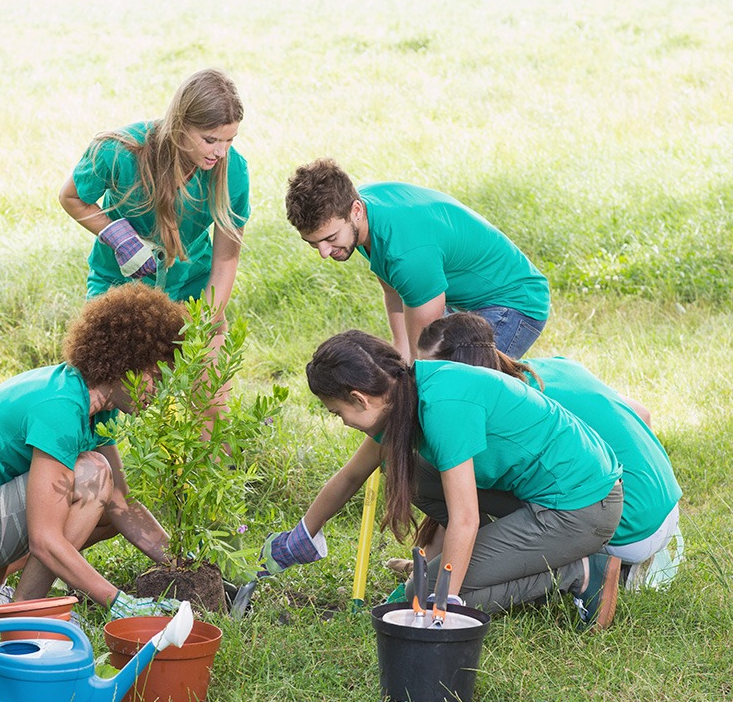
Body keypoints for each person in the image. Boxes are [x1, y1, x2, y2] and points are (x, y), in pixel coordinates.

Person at [257, 330, 625, 630]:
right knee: (405, 471)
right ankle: (506, 553)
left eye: (337, 413)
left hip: (581, 506)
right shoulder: (404, 394)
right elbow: (351, 476)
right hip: (540, 494)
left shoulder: (443, 408)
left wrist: (445, 597)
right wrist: (302, 535)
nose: (343, 422)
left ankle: (576, 571)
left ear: (359, 398)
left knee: (419, 597)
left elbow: (465, 518)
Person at [0, 284, 186, 618]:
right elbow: (44, 538)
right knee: (92, 475)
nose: (159, 392)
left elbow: (123, 505)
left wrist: (185, 566)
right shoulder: (61, 409)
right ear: (127, 360)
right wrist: (120, 603)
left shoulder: (94, 401)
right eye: (155, 376)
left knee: (109, 502)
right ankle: (26, 611)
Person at [412, 312, 682, 589]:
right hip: (665, 509)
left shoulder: (503, 412)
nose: (426, 384)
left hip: (620, 527)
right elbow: (642, 413)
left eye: (435, 372)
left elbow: (460, 498)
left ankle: (583, 570)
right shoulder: (552, 367)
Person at [284, 158, 550, 361]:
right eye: (313, 243)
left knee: (454, 388)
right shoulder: (363, 213)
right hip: (462, 301)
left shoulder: (407, 252)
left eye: (330, 238)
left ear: (355, 211)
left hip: (513, 303)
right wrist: (401, 349)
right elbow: (392, 285)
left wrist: (412, 369)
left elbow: (425, 356)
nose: (323, 252)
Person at [60, 68, 250, 329]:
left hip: (192, 288)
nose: (221, 152)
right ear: (180, 125)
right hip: (119, 287)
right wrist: (117, 235)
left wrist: (202, 321)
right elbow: (71, 197)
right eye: (210, 140)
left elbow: (226, 260)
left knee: (208, 369)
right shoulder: (120, 152)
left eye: (230, 139)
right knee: (109, 366)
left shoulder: (233, 171)